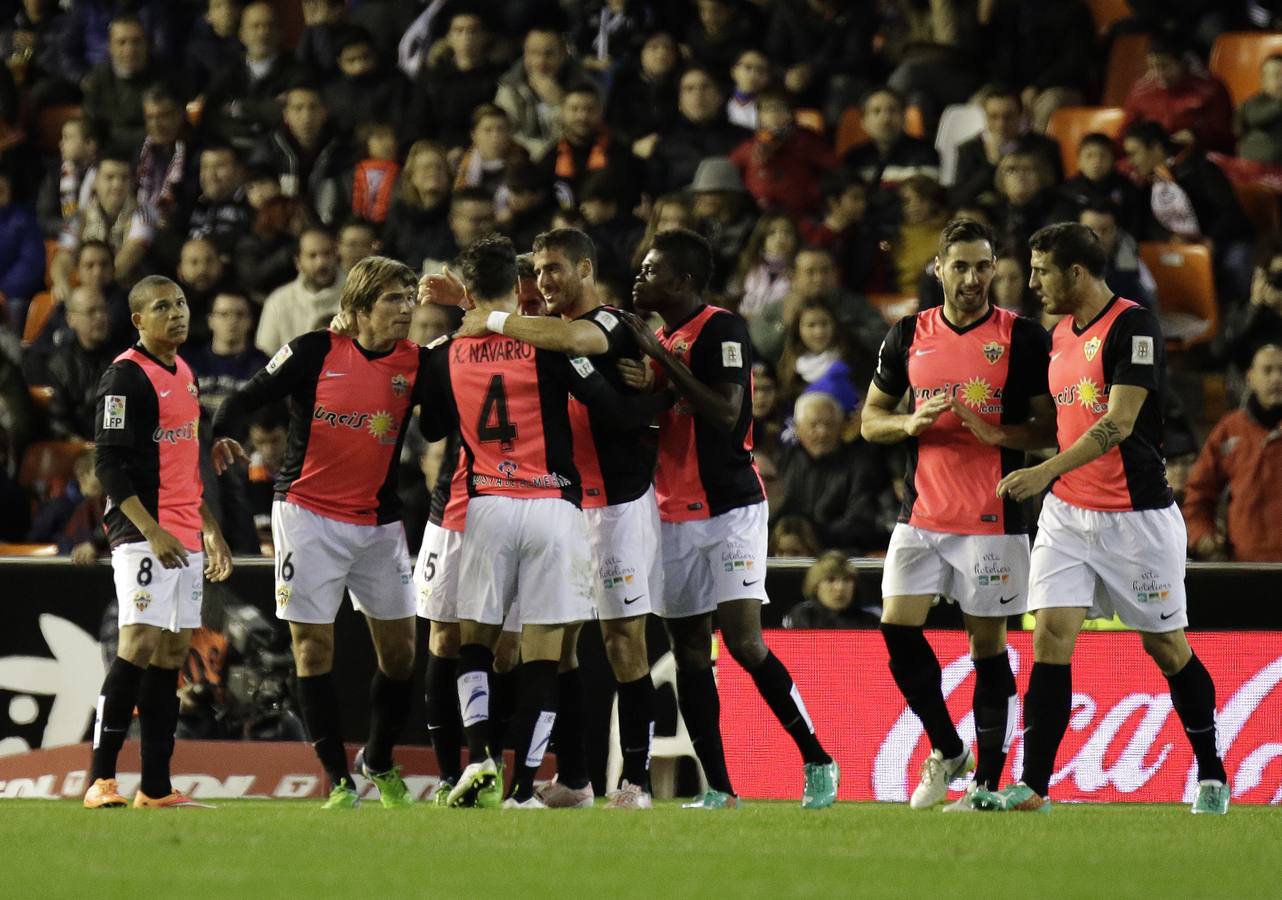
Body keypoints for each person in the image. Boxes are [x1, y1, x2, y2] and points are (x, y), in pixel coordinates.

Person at [976, 222, 1229, 815]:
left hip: (1135, 518)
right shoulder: (1061, 333)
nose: (1032, 282)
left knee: (1166, 647)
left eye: (1041, 271)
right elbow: (1058, 425)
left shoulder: (1133, 326)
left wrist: (1041, 473)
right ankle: (1034, 786)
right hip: (1069, 515)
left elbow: (1116, 423)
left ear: (1076, 273)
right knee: (1049, 637)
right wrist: (1003, 437)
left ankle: (1213, 772)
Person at [418, 235, 665, 810]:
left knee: (479, 644)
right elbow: (611, 407)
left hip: (497, 506)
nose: (547, 281)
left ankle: (482, 759)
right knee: (549, 653)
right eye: (538, 272)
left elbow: (432, 429)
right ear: (520, 283)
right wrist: (658, 395)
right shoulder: (546, 347)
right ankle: (538, 787)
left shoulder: (447, 350)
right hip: (559, 507)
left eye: (555, 269)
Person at [620, 227, 839, 810]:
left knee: (742, 641)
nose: (640, 278)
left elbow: (725, 411)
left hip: (731, 508)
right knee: (690, 650)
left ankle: (817, 757)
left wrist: (660, 359)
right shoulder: (656, 338)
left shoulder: (723, 328)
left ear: (683, 282)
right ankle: (719, 788)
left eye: (651, 271)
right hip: (669, 512)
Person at [212, 256, 431, 810]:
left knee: (403, 652)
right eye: (393, 299)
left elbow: (450, 412)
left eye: (410, 298)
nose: (406, 309)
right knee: (312, 648)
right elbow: (247, 395)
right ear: (358, 308)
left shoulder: (419, 364)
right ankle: (337, 778)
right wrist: (220, 433)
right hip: (307, 514)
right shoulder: (315, 351)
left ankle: (377, 757)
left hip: (378, 522)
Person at [860, 217, 1053, 811]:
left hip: (992, 519)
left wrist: (991, 430)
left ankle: (989, 784)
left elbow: (1048, 428)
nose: (973, 278)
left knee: (987, 648)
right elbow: (870, 420)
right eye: (961, 266)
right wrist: (909, 424)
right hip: (920, 516)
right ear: (938, 268)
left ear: (995, 269)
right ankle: (948, 748)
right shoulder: (904, 336)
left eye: (983, 265)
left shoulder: (1020, 337)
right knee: (896, 628)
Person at [83, 275, 233, 810]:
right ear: (138, 321)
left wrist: (208, 528)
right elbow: (107, 464)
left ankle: (155, 786)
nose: (177, 313)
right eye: (163, 307)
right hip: (141, 531)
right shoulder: (123, 378)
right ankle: (100, 779)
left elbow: (187, 458)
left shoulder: (186, 374)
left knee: (172, 650)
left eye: (182, 304)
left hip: (184, 531)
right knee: (138, 643)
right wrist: (152, 530)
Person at [1183, 343, 1282, 562]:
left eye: (1281, 370)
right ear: (1250, 377)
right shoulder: (1230, 429)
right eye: (1267, 370)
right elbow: (1199, 493)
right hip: (1244, 568)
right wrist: (1201, 535)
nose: (1276, 378)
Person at [773, 391, 891, 554]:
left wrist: (814, 535)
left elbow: (861, 521)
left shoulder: (860, 465)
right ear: (798, 429)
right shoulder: (780, 461)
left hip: (838, 554)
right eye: (813, 425)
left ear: (841, 427)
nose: (822, 432)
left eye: (829, 425)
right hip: (785, 549)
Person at [254, 226, 339, 354]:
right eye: (312, 256)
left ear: (337, 255)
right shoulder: (278, 301)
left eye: (327, 254)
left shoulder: (357, 296)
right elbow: (265, 357)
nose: (321, 263)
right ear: (298, 262)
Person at [783, 551, 879, 629]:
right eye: (831, 580)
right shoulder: (802, 616)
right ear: (816, 586)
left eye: (847, 580)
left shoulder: (870, 621)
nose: (840, 587)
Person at [1236, 54, 1282, 165]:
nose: (1281, 81)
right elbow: (1255, 118)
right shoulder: (1257, 101)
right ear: (1264, 81)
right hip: (1255, 163)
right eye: (1276, 76)